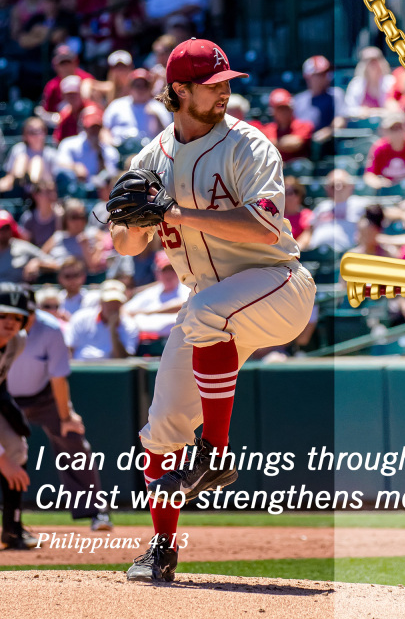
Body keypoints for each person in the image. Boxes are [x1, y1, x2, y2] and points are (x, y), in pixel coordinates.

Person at [110, 38, 316, 582]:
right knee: (159, 434)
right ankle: (161, 549)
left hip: (277, 284)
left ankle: (217, 452)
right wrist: (129, 222)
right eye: (214, 84)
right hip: (211, 306)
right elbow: (128, 246)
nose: (225, 90)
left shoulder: (249, 146)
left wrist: (174, 209)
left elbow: (266, 225)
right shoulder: (151, 158)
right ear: (179, 91)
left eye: (228, 82)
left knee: (204, 313)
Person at [7, 298, 113, 531]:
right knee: (8, 451)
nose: (21, 320)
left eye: (26, 313)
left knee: (73, 439)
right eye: (10, 315)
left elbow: (58, 377)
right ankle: (11, 523)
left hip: (44, 396)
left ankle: (96, 512)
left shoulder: (51, 328)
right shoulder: (5, 330)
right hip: (5, 396)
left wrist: (66, 417)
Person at [0, 284, 37, 550]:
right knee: (6, 457)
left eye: (16, 317)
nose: (10, 323)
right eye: (2, 315)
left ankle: (12, 529)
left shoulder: (18, 340)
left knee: (16, 448)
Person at [65, 279, 139, 360]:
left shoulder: (130, 325)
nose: (113, 306)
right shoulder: (81, 318)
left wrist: (113, 330)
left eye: (116, 302)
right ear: (101, 302)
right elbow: (68, 350)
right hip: (80, 369)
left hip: (111, 371)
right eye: (109, 302)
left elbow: (123, 359)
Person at [123, 251, 190, 338]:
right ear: (156, 272)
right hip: (144, 343)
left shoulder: (188, 288)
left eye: (172, 269)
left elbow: (184, 305)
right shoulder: (151, 292)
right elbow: (125, 310)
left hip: (179, 340)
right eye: (164, 270)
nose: (168, 274)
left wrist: (149, 312)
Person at [103, 69, 172, 144]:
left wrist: (156, 118)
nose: (140, 89)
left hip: (148, 152)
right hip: (120, 151)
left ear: (150, 88)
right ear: (130, 87)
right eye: (137, 85)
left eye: (144, 85)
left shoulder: (158, 108)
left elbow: (167, 137)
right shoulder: (117, 105)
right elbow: (104, 130)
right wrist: (110, 145)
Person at [308, 169, 369, 251]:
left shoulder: (361, 204)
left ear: (351, 186)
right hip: (315, 254)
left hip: (346, 253)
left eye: (342, 185)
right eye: (333, 186)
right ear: (327, 189)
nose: (338, 188)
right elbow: (308, 232)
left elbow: (383, 215)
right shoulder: (321, 207)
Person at [56, 105, 120, 184]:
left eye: (97, 127)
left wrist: (99, 154)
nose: (94, 131)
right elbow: (59, 164)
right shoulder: (69, 144)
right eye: (91, 127)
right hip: (76, 189)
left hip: (99, 192)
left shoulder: (109, 151)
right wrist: (74, 167)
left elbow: (110, 177)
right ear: (84, 127)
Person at [42, 198, 105, 274]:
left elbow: (93, 267)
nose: (78, 221)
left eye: (81, 216)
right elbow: (41, 257)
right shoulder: (58, 236)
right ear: (66, 219)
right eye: (74, 217)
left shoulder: (94, 233)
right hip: (54, 277)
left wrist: (85, 247)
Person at [293, 55, 346, 142]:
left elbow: (340, 120)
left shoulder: (336, 94)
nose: (326, 77)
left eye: (327, 73)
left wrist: (329, 131)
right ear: (308, 76)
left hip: (327, 145)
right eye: (320, 74)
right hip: (301, 144)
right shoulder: (298, 100)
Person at [0, 117, 58, 194]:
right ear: (25, 134)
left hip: (42, 192)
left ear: (45, 133)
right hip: (19, 188)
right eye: (31, 132)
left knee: (37, 161)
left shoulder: (51, 154)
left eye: (39, 131)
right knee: (22, 158)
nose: (36, 135)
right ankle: (23, 181)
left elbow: (53, 182)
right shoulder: (19, 149)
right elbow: (9, 177)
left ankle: (33, 183)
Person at [0, 210, 57, 283]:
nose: (3, 232)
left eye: (7, 228)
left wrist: (37, 263)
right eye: (1, 228)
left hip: (17, 292)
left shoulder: (22, 247)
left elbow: (54, 263)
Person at [260, 89, 314, 163]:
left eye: (285, 108)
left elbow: (295, 144)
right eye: (279, 109)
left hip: (297, 170)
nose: (283, 112)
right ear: (273, 112)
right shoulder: (268, 129)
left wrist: (273, 143)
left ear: (291, 109)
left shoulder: (303, 125)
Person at [40, 44, 94, 114]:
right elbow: (48, 110)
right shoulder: (52, 86)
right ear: (55, 66)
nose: (66, 67)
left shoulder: (86, 79)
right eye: (62, 63)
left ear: (75, 62)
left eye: (68, 62)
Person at [344, 46, 395, 116]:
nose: (372, 64)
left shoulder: (391, 82)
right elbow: (348, 108)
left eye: (375, 60)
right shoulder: (356, 84)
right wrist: (360, 111)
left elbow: (396, 106)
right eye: (368, 60)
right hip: (362, 124)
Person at [18, 179, 63, 249]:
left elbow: (61, 241)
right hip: (35, 257)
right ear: (36, 196)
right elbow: (25, 245)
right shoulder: (28, 218)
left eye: (53, 191)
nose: (52, 195)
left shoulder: (61, 215)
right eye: (47, 192)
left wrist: (59, 218)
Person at [53, 75, 91, 143]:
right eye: (69, 94)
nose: (72, 97)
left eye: (75, 93)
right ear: (63, 96)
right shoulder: (64, 115)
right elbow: (59, 140)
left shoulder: (91, 110)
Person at [283, 176, 312, 250]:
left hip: (298, 254)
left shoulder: (307, 215)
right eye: (286, 192)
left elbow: (306, 237)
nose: (291, 195)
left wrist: (293, 251)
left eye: (295, 191)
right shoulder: (276, 216)